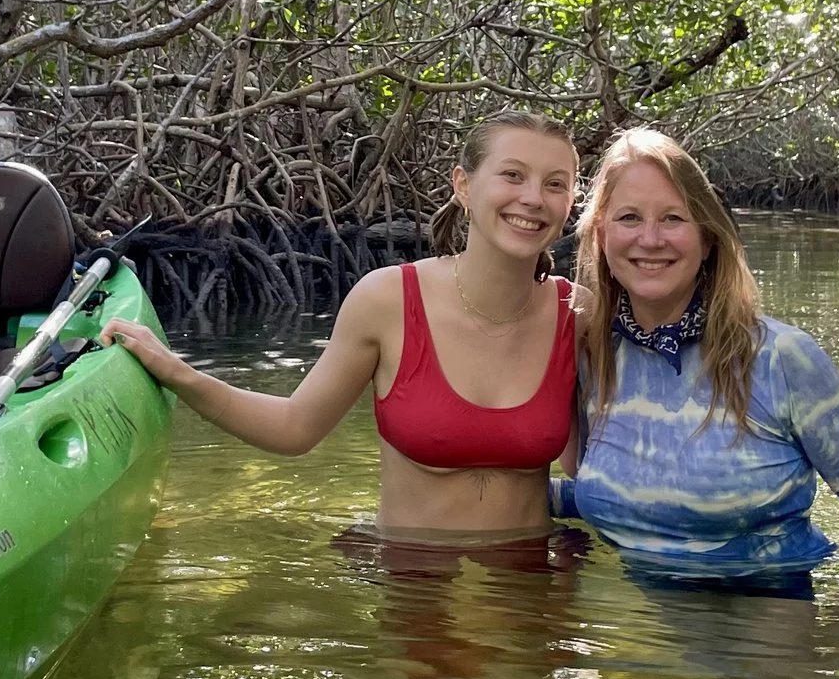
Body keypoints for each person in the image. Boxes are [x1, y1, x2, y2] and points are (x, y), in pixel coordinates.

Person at [99, 112, 583, 539]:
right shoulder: (386, 300)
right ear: (463, 185)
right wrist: (177, 373)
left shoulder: (579, 316)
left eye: (555, 184)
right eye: (513, 175)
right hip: (418, 578)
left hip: (532, 582)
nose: (533, 198)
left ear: (572, 204)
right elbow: (294, 428)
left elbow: (597, 465)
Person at [561, 127, 839, 594]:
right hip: (628, 632)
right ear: (601, 237)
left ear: (708, 239)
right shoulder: (592, 356)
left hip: (761, 629)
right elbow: (624, 492)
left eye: (673, 218)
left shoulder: (781, 359)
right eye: (629, 217)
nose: (650, 239)